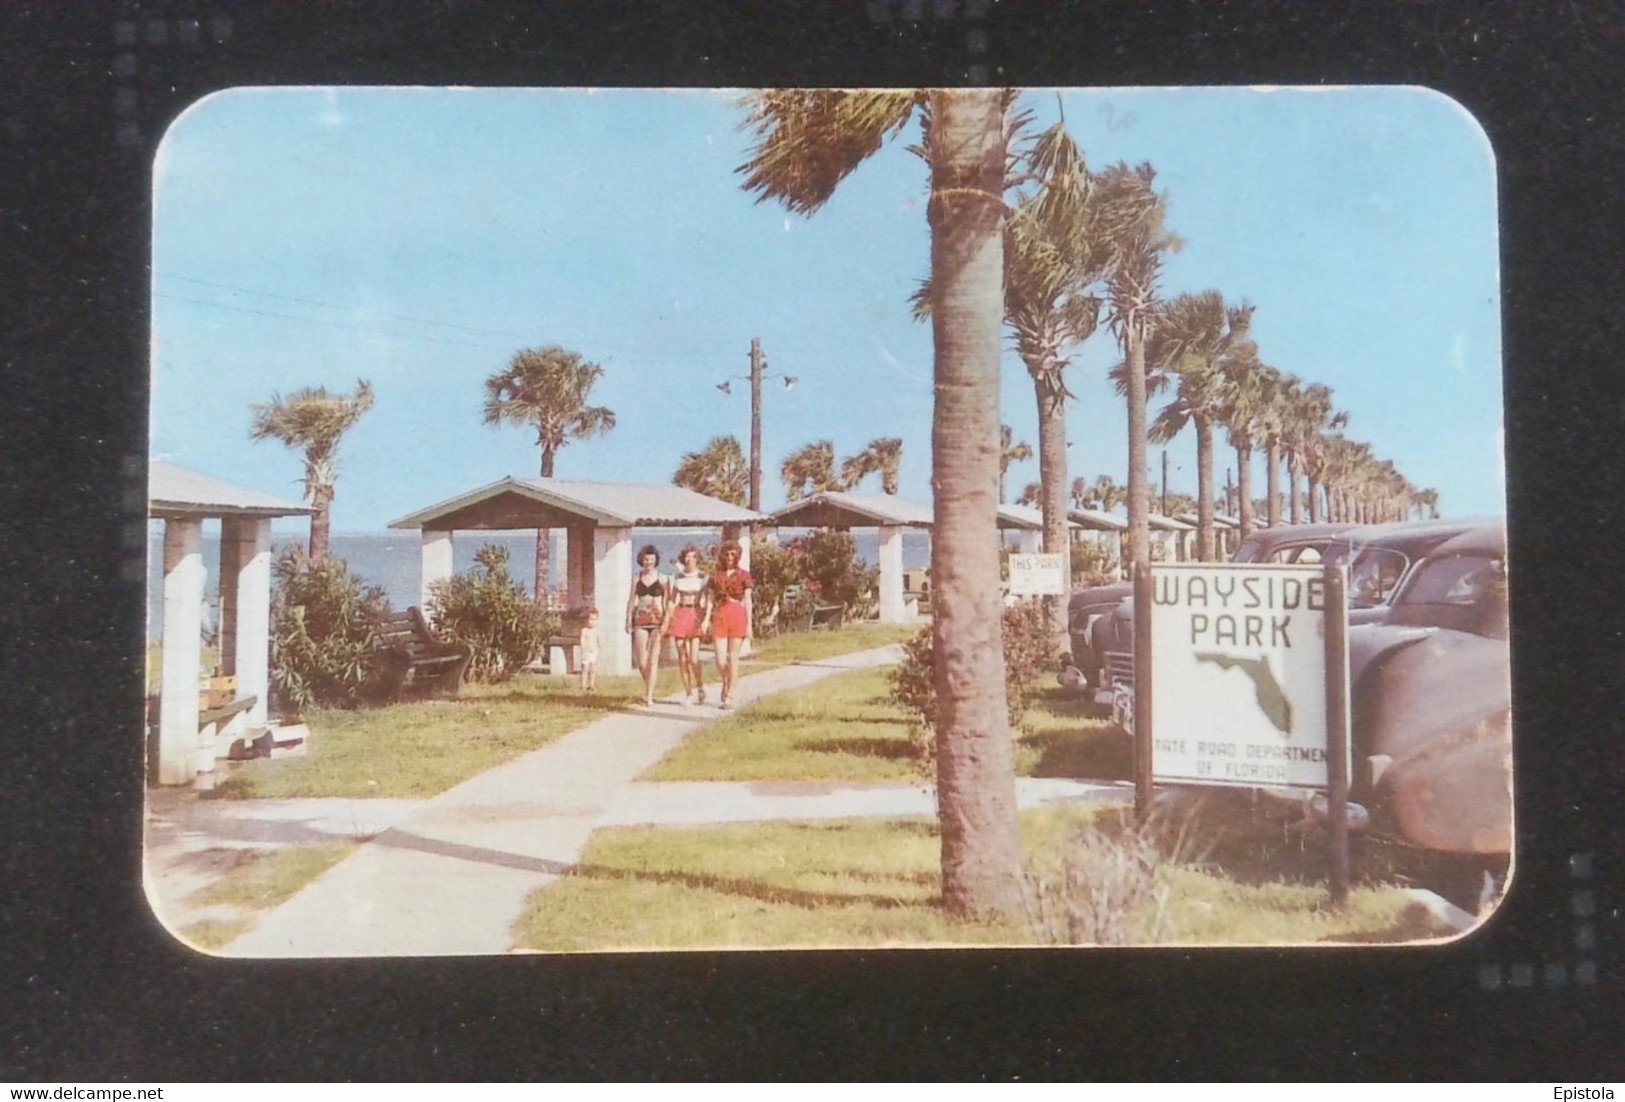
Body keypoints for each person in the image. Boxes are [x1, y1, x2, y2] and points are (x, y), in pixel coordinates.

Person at [704, 539, 752, 709]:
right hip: (720, 614)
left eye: (733, 554)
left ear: (738, 555)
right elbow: (710, 598)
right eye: (727, 554)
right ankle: (726, 680)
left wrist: (749, 625)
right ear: (722, 555)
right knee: (719, 659)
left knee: (733, 658)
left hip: (737, 614)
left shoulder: (744, 575)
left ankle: (729, 695)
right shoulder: (716, 575)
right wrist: (705, 619)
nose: (730, 557)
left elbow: (747, 600)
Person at [663, 544, 709, 706]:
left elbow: (707, 599)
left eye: (693, 557)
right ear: (684, 559)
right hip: (680, 613)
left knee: (694, 658)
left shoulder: (703, 577)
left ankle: (700, 686)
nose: (690, 560)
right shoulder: (678, 577)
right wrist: (667, 619)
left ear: (697, 560)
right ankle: (689, 693)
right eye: (688, 557)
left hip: (695, 613)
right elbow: (671, 600)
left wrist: (706, 619)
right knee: (682, 658)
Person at [625, 544, 668, 707]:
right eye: (646, 559)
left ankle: (649, 695)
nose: (648, 562)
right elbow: (631, 600)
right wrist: (628, 619)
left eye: (651, 559)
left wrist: (666, 621)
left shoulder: (663, 578)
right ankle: (649, 686)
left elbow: (666, 601)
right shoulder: (636, 578)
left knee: (653, 659)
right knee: (641, 660)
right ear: (641, 561)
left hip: (657, 619)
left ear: (656, 560)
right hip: (641, 619)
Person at [577, 607, 601, 693]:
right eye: (591, 619)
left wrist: (599, 649)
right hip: (586, 652)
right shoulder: (584, 630)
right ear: (587, 620)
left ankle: (592, 685)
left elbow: (599, 641)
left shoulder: (596, 631)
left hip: (594, 652)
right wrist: (583, 650)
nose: (593, 621)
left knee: (593, 669)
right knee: (585, 669)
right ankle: (583, 685)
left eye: (595, 619)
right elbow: (582, 641)